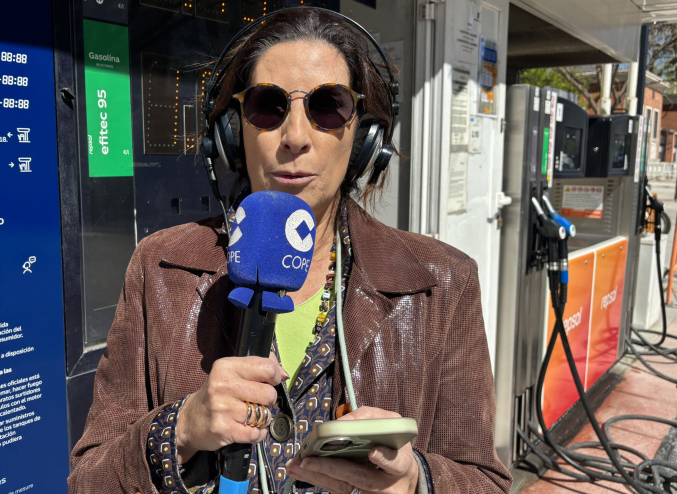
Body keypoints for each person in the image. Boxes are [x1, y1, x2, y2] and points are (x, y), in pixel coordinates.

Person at [68, 7, 511, 494]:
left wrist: (414, 483)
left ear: (364, 137)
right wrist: (180, 430)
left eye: (327, 107)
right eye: (268, 106)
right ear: (234, 134)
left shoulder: (442, 283)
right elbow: (89, 479)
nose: (295, 137)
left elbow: (484, 481)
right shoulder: (159, 268)